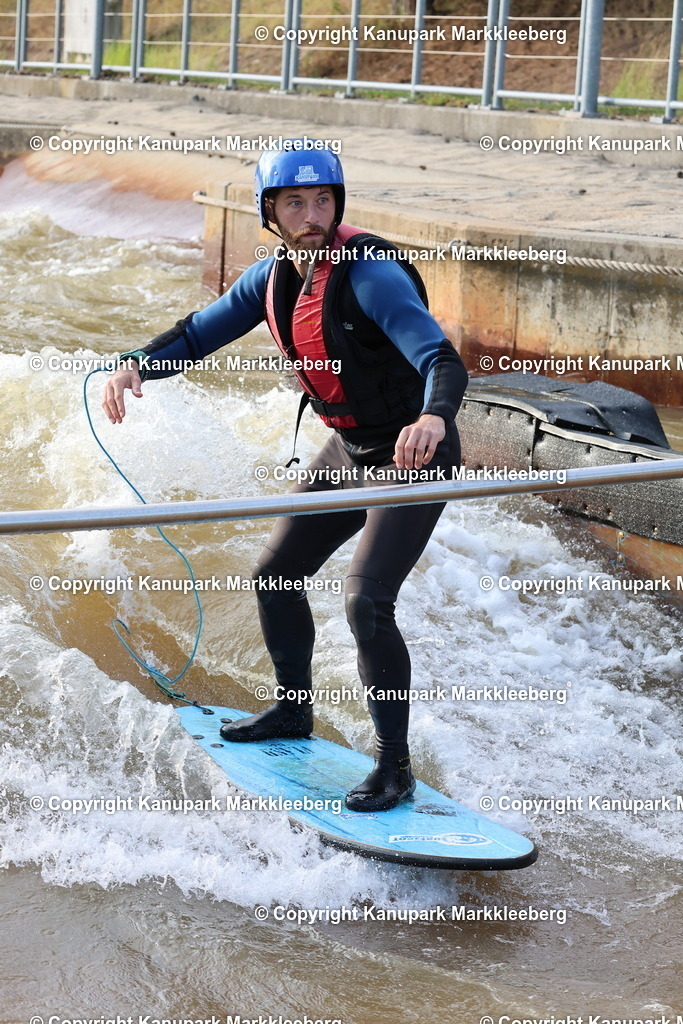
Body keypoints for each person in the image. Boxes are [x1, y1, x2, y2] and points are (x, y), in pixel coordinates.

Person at [102, 141, 469, 812]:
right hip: (349, 448)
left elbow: (441, 359)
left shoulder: (371, 275)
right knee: (275, 575)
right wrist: (133, 364)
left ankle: (394, 768)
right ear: (269, 212)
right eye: (295, 203)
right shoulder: (269, 280)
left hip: (413, 455)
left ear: (339, 204)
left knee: (364, 601)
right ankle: (292, 711)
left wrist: (435, 418)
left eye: (323, 200)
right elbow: (193, 336)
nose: (312, 215)